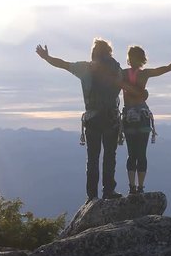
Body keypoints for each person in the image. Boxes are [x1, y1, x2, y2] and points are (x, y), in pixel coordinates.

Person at [35, 38, 142, 203]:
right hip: (111, 118)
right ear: (109, 52)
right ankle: (109, 191)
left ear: (94, 53)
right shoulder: (116, 69)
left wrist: (47, 57)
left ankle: (92, 196)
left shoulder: (85, 68)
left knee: (93, 158)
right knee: (109, 156)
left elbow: (63, 64)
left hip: (92, 119)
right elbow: (126, 86)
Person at [122, 40, 171, 195]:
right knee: (142, 154)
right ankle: (141, 188)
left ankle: (131, 188)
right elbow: (168, 68)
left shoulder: (122, 74)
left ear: (129, 58)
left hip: (128, 118)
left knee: (132, 154)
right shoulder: (145, 74)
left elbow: (106, 77)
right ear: (142, 58)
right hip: (143, 117)